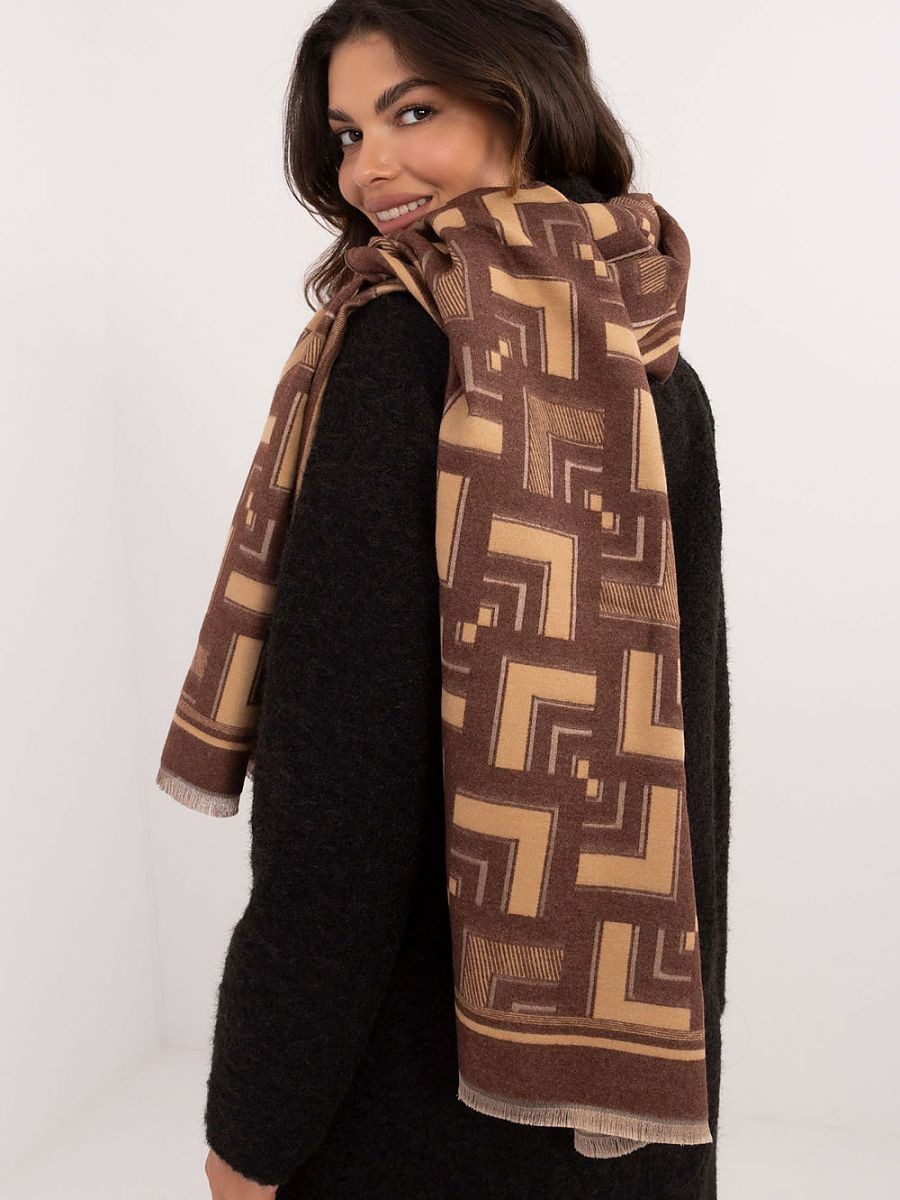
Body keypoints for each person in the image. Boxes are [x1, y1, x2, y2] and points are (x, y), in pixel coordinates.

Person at [198, 3, 731, 1198]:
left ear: (523, 102)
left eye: (413, 112)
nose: (366, 169)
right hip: (626, 1094)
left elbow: (337, 799)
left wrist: (254, 1130)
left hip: (408, 1101)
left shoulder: (401, 350)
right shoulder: (648, 347)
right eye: (348, 133)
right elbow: (691, 773)